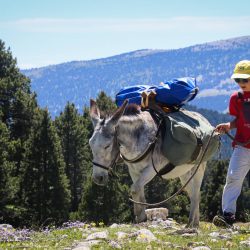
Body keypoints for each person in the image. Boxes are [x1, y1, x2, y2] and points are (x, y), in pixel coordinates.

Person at [213, 60, 250, 228]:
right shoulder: (236, 98)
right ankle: (228, 217)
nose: (241, 83)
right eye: (238, 80)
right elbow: (238, 120)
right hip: (242, 146)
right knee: (233, 178)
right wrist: (229, 125)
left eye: (245, 79)